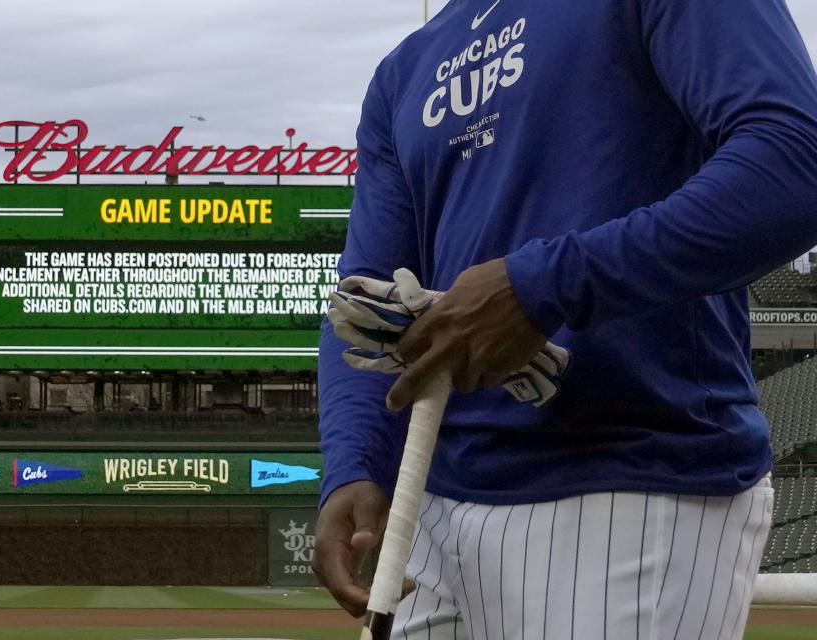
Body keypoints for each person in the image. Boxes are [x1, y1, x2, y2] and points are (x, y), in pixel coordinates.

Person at [312, 1, 817, 639]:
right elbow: (365, 303)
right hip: (427, 500)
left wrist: (542, 286)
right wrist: (353, 464)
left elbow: (796, 162)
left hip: (629, 478)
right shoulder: (406, 66)